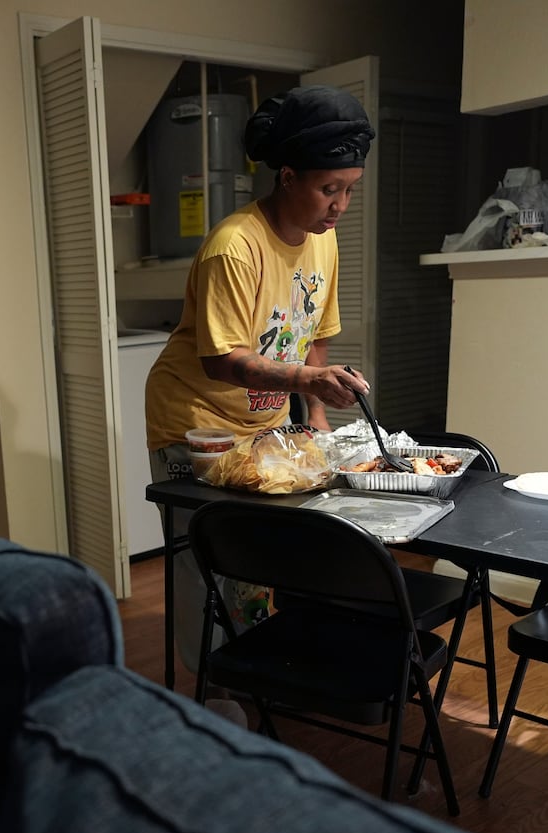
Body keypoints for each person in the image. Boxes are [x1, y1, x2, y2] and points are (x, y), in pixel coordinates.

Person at [143, 85, 375, 699]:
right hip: (195, 423)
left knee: (265, 557)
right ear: (289, 176)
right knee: (210, 560)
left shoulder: (323, 241)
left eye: (350, 189)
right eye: (330, 189)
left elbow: (317, 335)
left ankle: (256, 673)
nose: (340, 206)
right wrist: (304, 381)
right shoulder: (234, 247)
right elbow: (221, 360)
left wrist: (317, 415)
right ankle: (212, 692)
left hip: (261, 420)